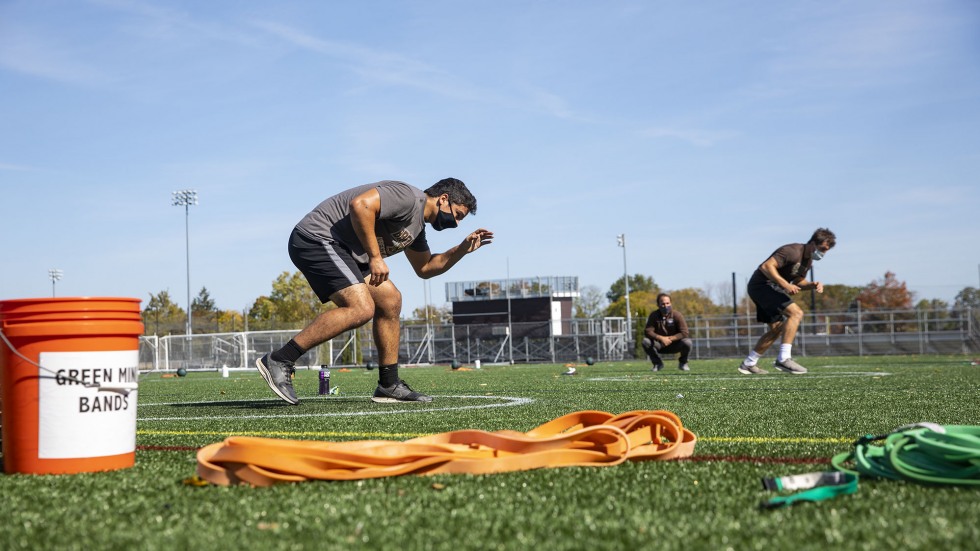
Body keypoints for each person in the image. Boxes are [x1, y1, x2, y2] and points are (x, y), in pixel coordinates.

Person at [256, 178, 493, 405]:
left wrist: (461, 249)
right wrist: (375, 257)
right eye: (457, 215)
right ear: (443, 199)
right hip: (318, 238)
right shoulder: (409, 197)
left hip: (347, 253)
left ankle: (388, 385)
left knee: (391, 300)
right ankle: (280, 359)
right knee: (361, 308)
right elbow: (361, 205)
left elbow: (426, 267)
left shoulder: (417, 228)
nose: (456, 223)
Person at [738, 228, 836, 375]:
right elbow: (766, 266)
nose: (823, 253)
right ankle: (784, 359)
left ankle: (749, 363)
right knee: (796, 313)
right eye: (822, 249)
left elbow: (798, 281)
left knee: (777, 329)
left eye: (826, 251)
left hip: (770, 288)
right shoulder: (792, 251)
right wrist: (785, 284)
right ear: (813, 243)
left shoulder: (808, 261)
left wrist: (812, 285)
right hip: (761, 286)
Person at [641, 293, 693, 372]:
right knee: (645, 341)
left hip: (675, 344)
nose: (666, 306)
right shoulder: (654, 315)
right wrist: (661, 338)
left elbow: (684, 332)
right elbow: (648, 331)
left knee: (687, 342)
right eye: (663, 304)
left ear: (671, 303)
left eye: (667, 303)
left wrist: (670, 339)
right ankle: (657, 363)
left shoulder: (677, 315)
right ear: (658, 305)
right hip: (660, 345)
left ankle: (683, 363)